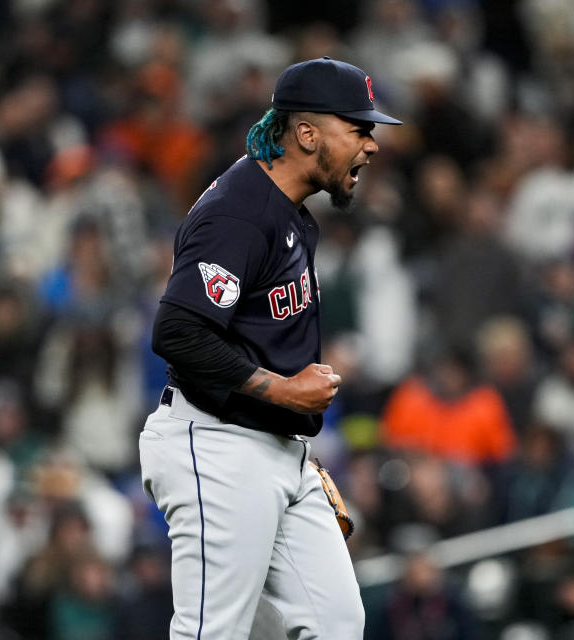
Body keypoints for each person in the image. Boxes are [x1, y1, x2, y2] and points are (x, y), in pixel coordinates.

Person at [139, 57, 401, 639]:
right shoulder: (239, 212)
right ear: (307, 134)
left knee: (334, 624)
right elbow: (178, 333)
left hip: (274, 449)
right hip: (216, 446)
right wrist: (282, 392)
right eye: (359, 128)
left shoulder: (288, 212)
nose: (372, 144)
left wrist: (292, 434)